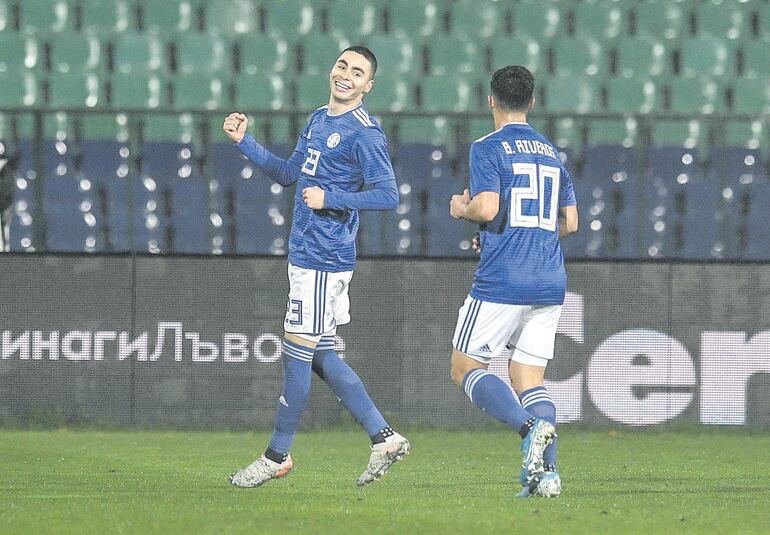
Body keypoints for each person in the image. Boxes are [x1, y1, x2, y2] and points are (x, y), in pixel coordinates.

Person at [223, 46, 410, 488]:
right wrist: (244, 143)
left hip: (325, 258)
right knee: (321, 355)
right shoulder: (318, 118)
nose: (346, 74)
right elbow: (290, 174)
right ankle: (384, 437)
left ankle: (277, 455)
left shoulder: (365, 133)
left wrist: (332, 198)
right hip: (306, 254)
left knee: (296, 357)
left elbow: (388, 195)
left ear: (369, 85)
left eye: (358, 71)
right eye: (342, 65)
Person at [448, 65, 578, 498]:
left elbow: (486, 208)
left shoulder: (488, 147)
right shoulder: (550, 151)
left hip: (504, 279)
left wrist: (460, 208)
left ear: (490, 101)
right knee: (528, 377)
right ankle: (547, 476)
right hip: (549, 279)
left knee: (465, 367)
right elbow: (570, 222)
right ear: (533, 102)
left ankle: (529, 428)